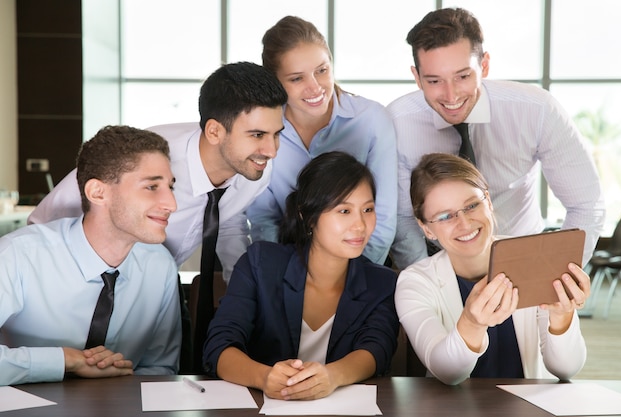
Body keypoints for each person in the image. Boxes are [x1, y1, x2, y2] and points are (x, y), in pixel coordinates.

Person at [28, 62, 288, 284]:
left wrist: (242, 290)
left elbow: (228, 219)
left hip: (155, 289)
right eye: (257, 135)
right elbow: (45, 220)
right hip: (81, 283)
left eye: (277, 134)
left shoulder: (256, 169)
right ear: (214, 132)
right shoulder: (148, 156)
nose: (271, 150)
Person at [388, 7, 605, 270]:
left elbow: (585, 204)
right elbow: (403, 219)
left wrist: (552, 276)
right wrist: (429, 283)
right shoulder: (397, 122)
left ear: (485, 66)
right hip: (438, 265)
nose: (451, 95)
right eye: (434, 81)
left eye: (463, 76)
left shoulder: (536, 110)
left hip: (522, 256)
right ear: (417, 78)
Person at [204, 151, 399, 400]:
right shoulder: (260, 264)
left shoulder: (381, 282)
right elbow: (219, 346)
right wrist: (264, 378)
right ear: (307, 217)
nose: (360, 225)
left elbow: (377, 349)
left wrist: (332, 377)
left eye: (368, 209)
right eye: (344, 211)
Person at [0, 125, 181, 386]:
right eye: (152, 187)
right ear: (98, 192)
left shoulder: (159, 265)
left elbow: (160, 369)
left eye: (170, 187)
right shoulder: (18, 256)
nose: (171, 204)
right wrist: (64, 361)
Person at [395, 153, 589, 386]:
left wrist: (561, 316)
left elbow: (566, 370)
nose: (465, 224)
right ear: (426, 228)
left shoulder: (536, 258)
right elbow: (446, 372)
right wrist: (472, 323)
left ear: (488, 202)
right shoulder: (415, 282)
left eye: (472, 206)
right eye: (445, 216)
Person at [247, 16, 398, 266]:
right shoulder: (261, 130)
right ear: (274, 81)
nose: (315, 87)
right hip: (286, 266)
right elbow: (264, 219)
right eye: (297, 78)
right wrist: (281, 279)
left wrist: (355, 281)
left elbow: (382, 219)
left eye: (322, 70)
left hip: (362, 266)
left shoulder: (371, 120)